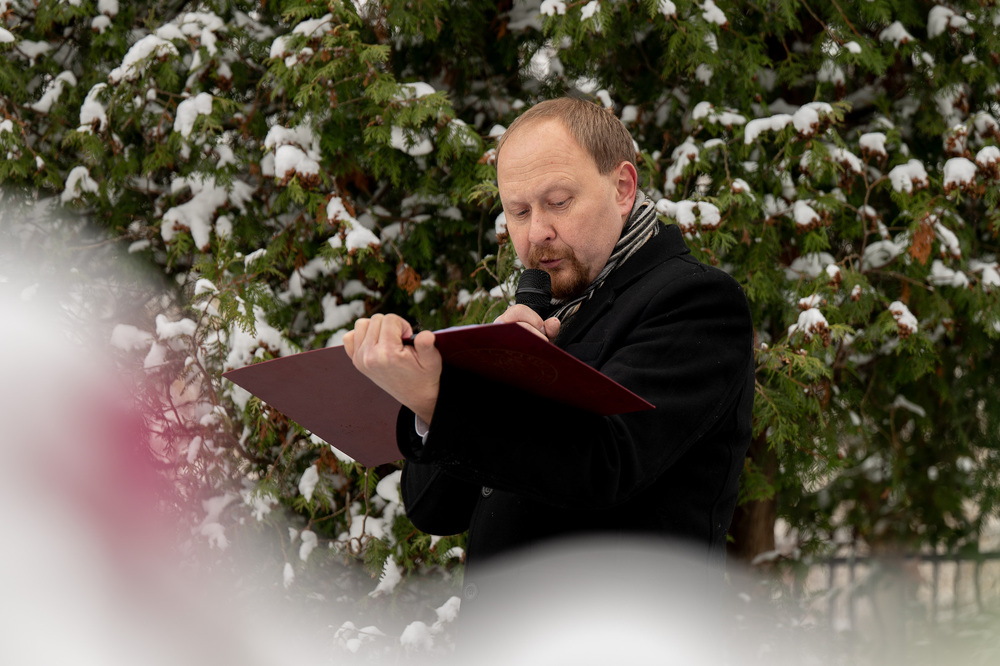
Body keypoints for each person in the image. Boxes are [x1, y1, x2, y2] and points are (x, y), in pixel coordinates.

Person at [343, 97, 755, 622]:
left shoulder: (694, 302)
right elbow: (433, 510)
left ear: (622, 188)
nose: (536, 232)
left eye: (558, 201)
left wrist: (445, 401)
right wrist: (459, 391)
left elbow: (607, 465)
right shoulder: (538, 316)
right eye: (517, 211)